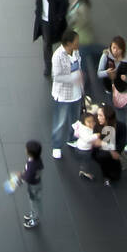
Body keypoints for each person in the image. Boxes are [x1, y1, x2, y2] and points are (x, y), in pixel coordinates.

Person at [97, 35, 127, 157]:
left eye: (118, 48)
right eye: (113, 48)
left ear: (123, 49)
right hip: (109, 92)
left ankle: (125, 145)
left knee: (121, 120)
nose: (115, 51)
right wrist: (107, 73)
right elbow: (99, 73)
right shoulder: (105, 55)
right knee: (109, 117)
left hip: (122, 92)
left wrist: (126, 78)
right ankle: (109, 145)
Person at [50, 31, 84, 160]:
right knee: (60, 122)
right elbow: (57, 77)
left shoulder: (75, 52)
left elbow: (78, 67)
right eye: (76, 41)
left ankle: (71, 138)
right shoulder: (58, 56)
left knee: (75, 120)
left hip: (76, 93)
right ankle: (56, 146)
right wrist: (73, 78)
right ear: (69, 43)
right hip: (63, 95)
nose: (78, 43)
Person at [33, 0, 68, 77]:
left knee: (60, 42)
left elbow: (64, 1)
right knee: (47, 44)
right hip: (44, 21)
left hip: (56, 20)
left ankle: (62, 64)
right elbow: (38, 4)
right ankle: (48, 67)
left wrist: (60, 16)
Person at [67, 0, 98, 95]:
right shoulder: (76, 4)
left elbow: (82, 22)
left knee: (83, 65)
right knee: (83, 63)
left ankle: (87, 88)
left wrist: (73, 23)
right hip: (79, 38)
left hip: (82, 40)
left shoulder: (83, 7)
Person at [90, 105, 126, 185]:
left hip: (113, 151)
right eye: (98, 115)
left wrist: (112, 150)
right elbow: (96, 144)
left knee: (116, 177)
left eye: (100, 115)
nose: (98, 117)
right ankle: (106, 173)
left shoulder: (120, 126)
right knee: (102, 156)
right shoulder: (97, 126)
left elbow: (121, 144)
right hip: (101, 153)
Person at [17, 140, 43, 230]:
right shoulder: (36, 160)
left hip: (33, 186)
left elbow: (27, 177)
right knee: (35, 201)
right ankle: (33, 214)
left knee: (34, 202)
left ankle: (35, 219)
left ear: (29, 153)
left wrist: (20, 179)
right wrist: (24, 172)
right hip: (36, 183)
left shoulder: (32, 165)